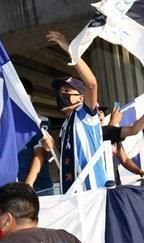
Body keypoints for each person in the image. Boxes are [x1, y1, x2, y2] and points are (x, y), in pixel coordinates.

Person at [46, 31, 104, 193]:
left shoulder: (85, 115)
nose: (61, 94)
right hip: (72, 193)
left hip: (92, 190)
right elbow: (64, 162)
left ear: (81, 97)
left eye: (66, 90)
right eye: (60, 91)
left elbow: (92, 84)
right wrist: (53, 148)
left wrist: (70, 50)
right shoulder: (65, 126)